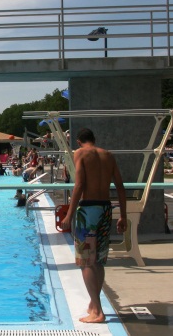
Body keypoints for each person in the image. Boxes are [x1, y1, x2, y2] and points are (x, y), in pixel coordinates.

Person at [60, 128, 127, 324]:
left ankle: (97, 310)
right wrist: (122, 216)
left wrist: (69, 214)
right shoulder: (107, 155)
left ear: (79, 141)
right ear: (94, 140)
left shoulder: (80, 153)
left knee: (86, 261)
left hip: (88, 210)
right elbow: (120, 187)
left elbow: (79, 184)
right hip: (106, 209)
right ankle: (93, 303)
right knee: (98, 260)